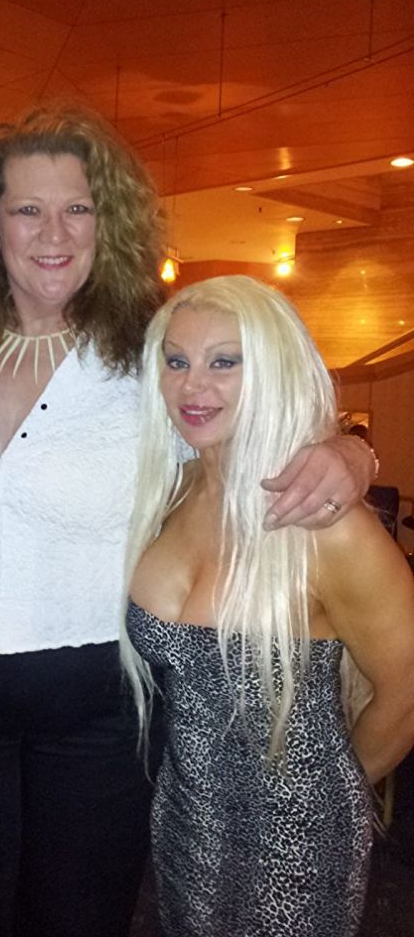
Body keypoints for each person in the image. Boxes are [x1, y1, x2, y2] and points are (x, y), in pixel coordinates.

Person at [0, 107, 377, 937]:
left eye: (77, 208)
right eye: (27, 209)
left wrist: (351, 451)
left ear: (106, 224)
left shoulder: (147, 359)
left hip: (97, 709)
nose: (53, 233)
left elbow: (259, 416)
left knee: (77, 918)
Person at [123, 275, 414, 937]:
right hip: (184, 817)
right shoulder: (170, 492)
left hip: (300, 841)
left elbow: (407, 691)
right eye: (176, 361)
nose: (193, 386)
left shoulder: (326, 526)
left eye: (225, 361)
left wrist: (323, 798)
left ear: (273, 369)